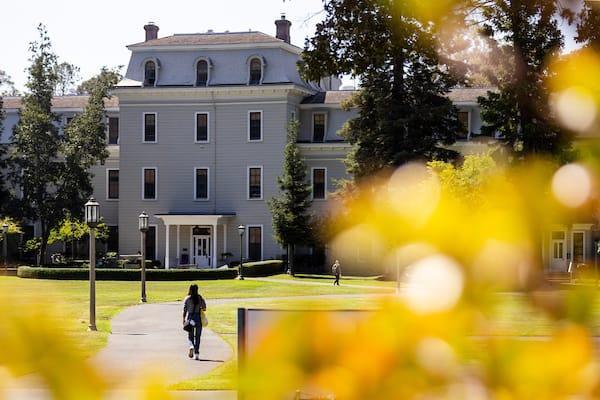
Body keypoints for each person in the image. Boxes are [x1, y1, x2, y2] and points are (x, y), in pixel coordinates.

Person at [183, 284, 207, 360]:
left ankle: (191, 346)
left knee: (190, 335)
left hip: (190, 318)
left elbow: (185, 310)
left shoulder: (187, 298)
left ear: (190, 289)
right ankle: (196, 354)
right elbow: (204, 308)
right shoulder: (200, 298)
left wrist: (183, 319)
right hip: (198, 318)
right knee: (198, 336)